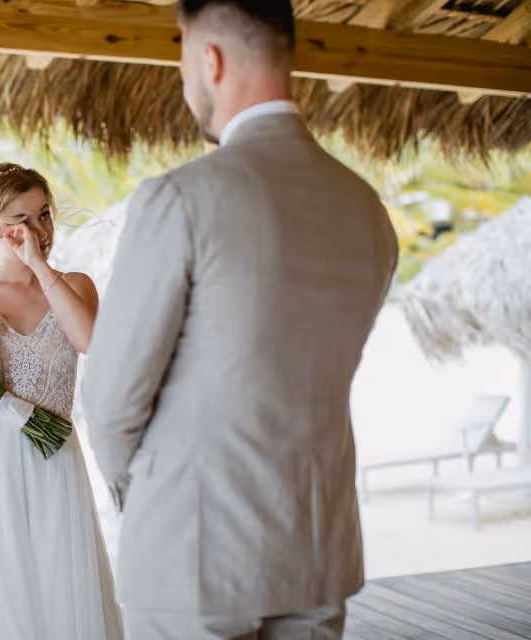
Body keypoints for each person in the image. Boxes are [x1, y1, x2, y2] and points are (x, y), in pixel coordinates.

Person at [82, 0, 399, 637]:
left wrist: (144, 497)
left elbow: (112, 399)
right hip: (316, 549)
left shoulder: (181, 198)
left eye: (181, 56)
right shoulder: (366, 209)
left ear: (211, 59)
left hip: (192, 553)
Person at [0, 163, 123, 640]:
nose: (39, 231)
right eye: (21, 222)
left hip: (54, 459)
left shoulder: (77, 285)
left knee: (64, 594)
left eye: (44, 215)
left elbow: (88, 340)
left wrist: (40, 268)